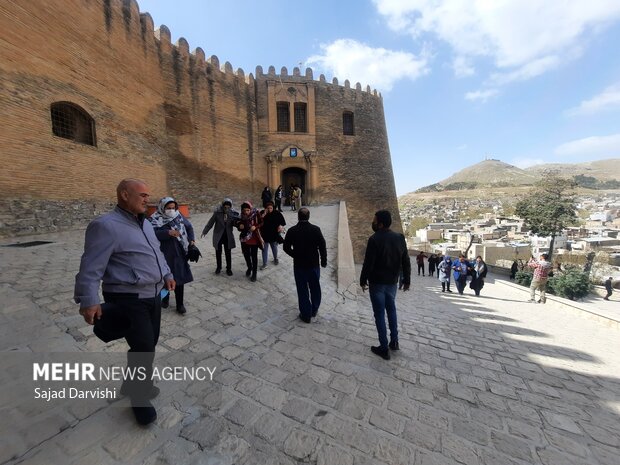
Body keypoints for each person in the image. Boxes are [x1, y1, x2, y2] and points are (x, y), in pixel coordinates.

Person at [74, 179, 175, 426]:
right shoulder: (105, 226)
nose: (146, 199)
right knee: (144, 348)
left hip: (152, 294)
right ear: (124, 195)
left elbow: (156, 253)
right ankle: (139, 398)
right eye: (142, 195)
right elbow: (90, 266)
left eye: (148, 195)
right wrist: (89, 299)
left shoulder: (147, 224)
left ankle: (132, 384)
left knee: (149, 342)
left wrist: (167, 274)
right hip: (127, 298)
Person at [360, 210, 411, 360]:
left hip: (377, 283)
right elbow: (406, 261)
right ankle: (394, 342)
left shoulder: (374, 239)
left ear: (380, 223)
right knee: (391, 310)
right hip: (392, 283)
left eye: (374, 220)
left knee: (379, 314)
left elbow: (368, 263)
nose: (373, 222)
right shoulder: (399, 237)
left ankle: (383, 347)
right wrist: (406, 280)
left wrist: (363, 280)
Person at [149, 197, 194, 315]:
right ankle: (165, 299)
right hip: (164, 254)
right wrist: (167, 233)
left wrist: (192, 240)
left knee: (179, 278)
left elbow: (189, 227)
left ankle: (180, 304)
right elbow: (151, 234)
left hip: (179, 253)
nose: (171, 210)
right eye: (168, 208)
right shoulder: (154, 219)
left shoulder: (178, 216)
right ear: (162, 207)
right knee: (165, 278)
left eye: (173, 208)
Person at [284, 207, 327, 323]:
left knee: (302, 290)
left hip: (299, 265)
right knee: (315, 287)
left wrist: (295, 255)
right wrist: (324, 260)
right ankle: (314, 309)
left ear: (298, 217)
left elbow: (286, 247)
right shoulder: (316, 229)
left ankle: (306, 314)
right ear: (309, 217)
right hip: (313, 264)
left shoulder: (292, 231)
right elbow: (322, 245)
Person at [202, 198, 239, 276]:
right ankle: (218, 267)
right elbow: (210, 222)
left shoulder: (232, 213)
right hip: (218, 236)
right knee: (218, 253)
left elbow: (236, 223)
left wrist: (239, 223)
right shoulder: (217, 212)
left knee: (228, 253)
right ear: (223, 206)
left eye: (228, 207)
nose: (227, 209)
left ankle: (229, 268)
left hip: (228, 236)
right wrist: (205, 231)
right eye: (225, 207)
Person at [237, 201, 263, 282]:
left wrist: (255, 226)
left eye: (248, 210)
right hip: (244, 239)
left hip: (254, 238)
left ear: (250, 209)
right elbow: (238, 225)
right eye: (244, 210)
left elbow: (262, 222)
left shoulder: (256, 213)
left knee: (254, 256)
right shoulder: (241, 216)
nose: (246, 212)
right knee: (246, 255)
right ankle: (249, 267)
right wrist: (239, 226)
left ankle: (254, 274)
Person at [259, 201, 286, 269]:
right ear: (265, 208)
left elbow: (282, 222)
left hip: (273, 234)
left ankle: (275, 258)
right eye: (268, 208)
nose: (269, 210)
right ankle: (265, 263)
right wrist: (263, 215)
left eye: (271, 208)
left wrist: (280, 226)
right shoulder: (262, 213)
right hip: (264, 234)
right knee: (264, 249)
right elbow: (258, 222)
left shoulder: (277, 213)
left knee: (274, 247)